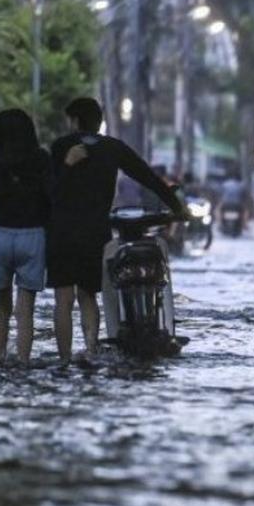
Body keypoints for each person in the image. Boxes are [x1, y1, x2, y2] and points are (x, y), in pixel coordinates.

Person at [47, 97, 186, 367]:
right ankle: (90, 351)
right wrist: (176, 205)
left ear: (74, 121)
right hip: (96, 234)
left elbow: (51, 189)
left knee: (63, 299)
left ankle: (63, 359)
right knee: (88, 294)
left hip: (61, 232)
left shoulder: (61, 146)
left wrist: (66, 164)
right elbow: (146, 175)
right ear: (99, 122)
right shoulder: (113, 148)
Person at [0, 109, 51, 365]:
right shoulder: (41, 158)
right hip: (32, 235)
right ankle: (22, 360)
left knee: (1, 308)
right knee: (25, 311)